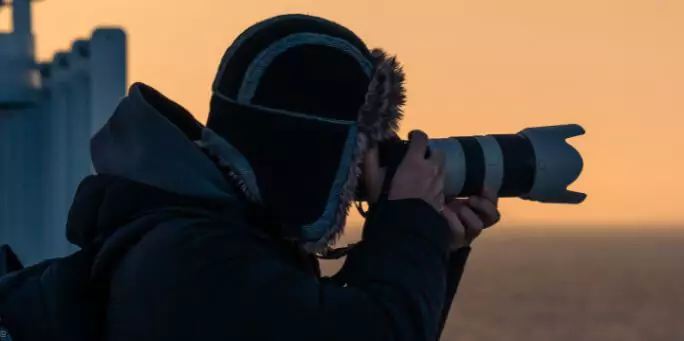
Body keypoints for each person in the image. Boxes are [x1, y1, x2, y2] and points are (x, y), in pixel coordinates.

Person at [69, 14, 499, 340]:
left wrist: (432, 248)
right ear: (315, 153)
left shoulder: (206, 234)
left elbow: (330, 322)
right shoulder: (198, 256)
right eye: (360, 147)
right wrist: (409, 226)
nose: (367, 168)